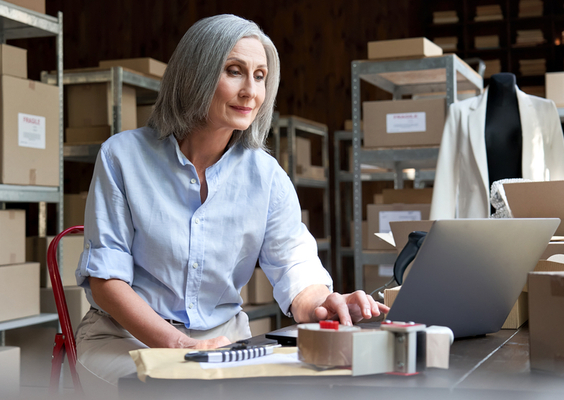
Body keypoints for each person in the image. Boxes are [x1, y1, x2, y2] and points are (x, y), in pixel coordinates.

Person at [74, 14, 388, 388]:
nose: (251, 92)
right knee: (174, 392)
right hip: (124, 338)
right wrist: (183, 347)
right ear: (195, 74)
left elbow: (294, 263)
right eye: (234, 71)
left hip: (225, 342)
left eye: (260, 76)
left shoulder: (267, 177)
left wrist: (324, 304)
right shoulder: (122, 157)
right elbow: (106, 283)